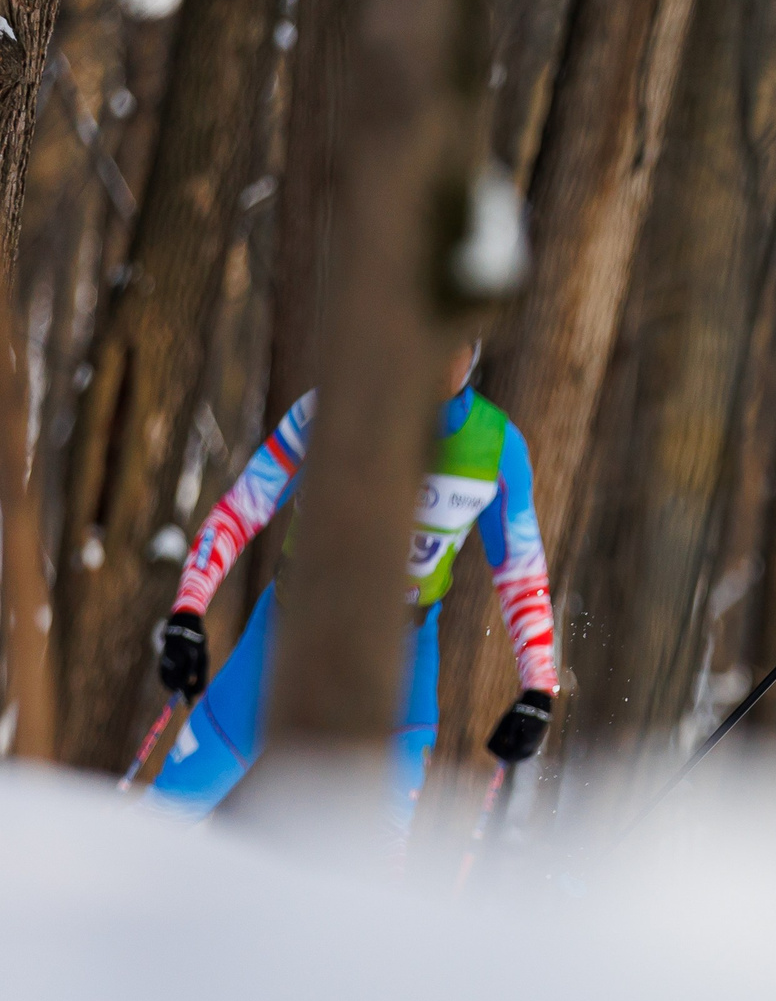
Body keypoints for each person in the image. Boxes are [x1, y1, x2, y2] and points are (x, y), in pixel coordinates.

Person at [146, 342, 561, 830]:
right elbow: (242, 508)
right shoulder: (332, 408)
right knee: (170, 809)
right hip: (292, 631)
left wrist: (538, 688)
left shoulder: (497, 447)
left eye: (457, 342)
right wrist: (188, 613)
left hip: (401, 654)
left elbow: (522, 572)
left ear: (472, 355)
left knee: (378, 853)